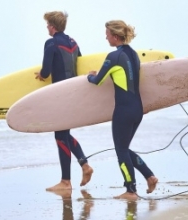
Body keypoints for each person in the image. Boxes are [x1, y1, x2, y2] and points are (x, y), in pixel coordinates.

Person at [87, 20, 158, 200]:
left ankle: (131, 190)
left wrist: (90, 75)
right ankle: (150, 177)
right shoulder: (134, 55)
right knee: (124, 148)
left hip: (124, 111)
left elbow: (97, 81)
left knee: (121, 150)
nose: (106, 37)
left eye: (107, 34)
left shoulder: (114, 56)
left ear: (115, 36)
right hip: (137, 109)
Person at [35, 11, 93, 191]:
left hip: (59, 94)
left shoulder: (51, 43)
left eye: (47, 25)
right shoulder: (73, 43)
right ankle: (84, 165)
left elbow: (46, 70)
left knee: (60, 135)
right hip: (73, 92)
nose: (47, 28)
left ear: (52, 26)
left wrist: (41, 76)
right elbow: (80, 63)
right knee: (64, 133)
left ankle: (66, 181)